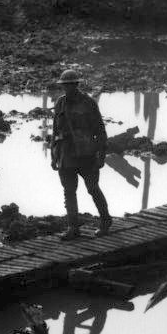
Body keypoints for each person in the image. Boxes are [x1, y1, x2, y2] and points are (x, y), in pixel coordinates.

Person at [50, 69, 112, 240]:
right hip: (66, 154)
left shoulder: (88, 103)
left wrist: (101, 155)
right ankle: (73, 228)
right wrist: (53, 155)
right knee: (69, 192)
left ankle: (106, 221)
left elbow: (100, 130)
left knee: (93, 189)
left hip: (86, 154)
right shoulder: (60, 103)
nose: (67, 88)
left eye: (70, 85)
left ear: (76, 85)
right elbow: (55, 130)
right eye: (64, 86)